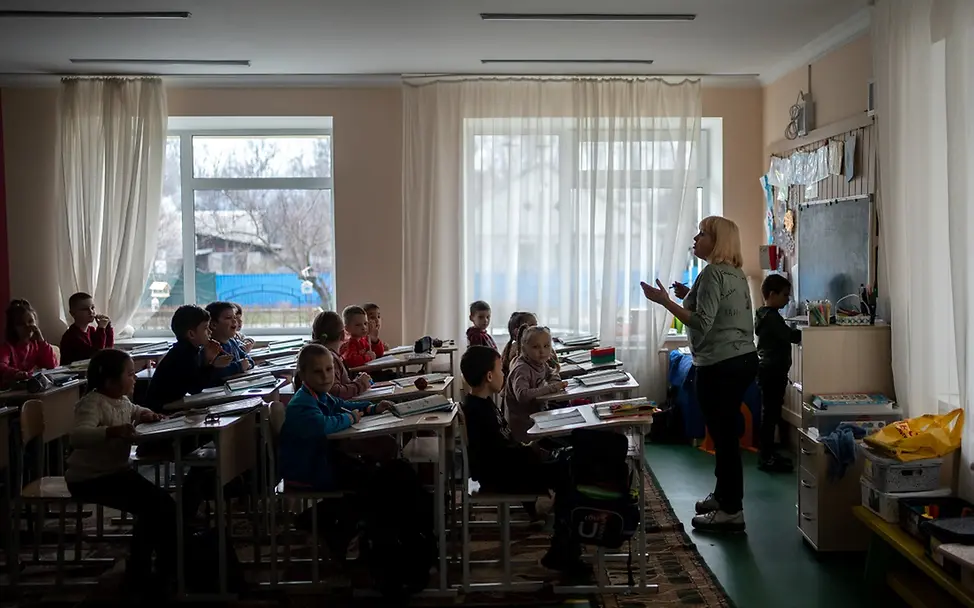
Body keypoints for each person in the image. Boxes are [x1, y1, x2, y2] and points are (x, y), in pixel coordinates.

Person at [640, 215, 757, 532]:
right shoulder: (733, 273)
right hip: (743, 360)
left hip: (720, 364)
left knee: (724, 438)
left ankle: (732, 510)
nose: (695, 238)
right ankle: (723, 496)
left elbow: (702, 322)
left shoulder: (713, 274)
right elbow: (717, 311)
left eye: (702, 234)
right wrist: (686, 294)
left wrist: (664, 301)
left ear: (717, 242)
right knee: (725, 434)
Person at [460, 346, 588, 577]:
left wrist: (529, 450)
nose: (504, 375)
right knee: (569, 471)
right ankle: (563, 548)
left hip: (509, 467)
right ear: (489, 376)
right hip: (501, 476)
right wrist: (531, 453)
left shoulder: (483, 404)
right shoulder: (478, 411)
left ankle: (566, 540)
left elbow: (503, 445)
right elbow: (495, 457)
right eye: (501, 370)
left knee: (568, 460)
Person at [64, 349, 174, 589]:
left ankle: (164, 565)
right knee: (154, 506)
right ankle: (141, 571)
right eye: (130, 374)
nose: (134, 378)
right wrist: (112, 431)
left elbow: (135, 410)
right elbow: (78, 436)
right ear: (110, 381)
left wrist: (148, 414)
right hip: (89, 478)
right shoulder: (91, 403)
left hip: (116, 472)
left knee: (163, 504)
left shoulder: (122, 400)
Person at [279, 343, 394, 556]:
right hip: (308, 470)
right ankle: (324, 524)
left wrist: (370, 408)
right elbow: (323, 425)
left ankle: (341, 527)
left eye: (329, 369)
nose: (325, 376)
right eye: (317, 371)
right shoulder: (301, 404)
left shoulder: (320, 395)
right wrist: (350, 418)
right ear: (303, 375)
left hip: (322, 460)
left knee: (373, 474)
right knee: (368, 482)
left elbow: (342, 405)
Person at [144, 305, 232, 412]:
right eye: (205, 328)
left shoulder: (190, 349)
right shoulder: (183, 354)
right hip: (161, 408)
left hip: (172, 402)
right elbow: (196, 388)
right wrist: (212, 364)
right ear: (191, 334)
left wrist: (208, 361)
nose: (210, 332)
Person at [755, 274, 801, 473]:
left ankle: (768, 454)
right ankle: (767, 457)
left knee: (770, 414)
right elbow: (790, 336)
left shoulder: (763, 314)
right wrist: (811, 329)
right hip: (773, 371)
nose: (787, 300)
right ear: (772, 295)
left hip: (768, 370)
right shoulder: (772, 317)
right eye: (784, 295)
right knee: (770, 415)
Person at [504, 325, 567, 442]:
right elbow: (522, 395)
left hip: (538, 416)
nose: (542, 351)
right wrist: (551, 388)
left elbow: (553, 374)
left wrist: (554, 383)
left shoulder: (540, 363)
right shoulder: (521, 369)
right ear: (525, 349)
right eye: (535, 347)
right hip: (524, 427)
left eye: (546, 346)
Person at [311, 310, 372, 399]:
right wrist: (360, 384)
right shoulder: (328, 358)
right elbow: (336, 393)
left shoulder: (312, 353)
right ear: (343, 335)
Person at [0, 299, 58, 387]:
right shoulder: (8, 347)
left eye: (30, 322)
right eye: (21, 324)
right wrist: (17, 373)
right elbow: (1, 366)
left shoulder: (36, 345)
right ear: (13, 328)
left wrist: (41, 340)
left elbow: (51, 365)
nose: (27, 326)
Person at [59, 292, 114, 365]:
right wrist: (101, 329)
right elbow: (96, 356)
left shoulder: (91, 330)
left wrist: (108, 327)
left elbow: (108, 350)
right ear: (73, 313)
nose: (91, 312)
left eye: (92, 308)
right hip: (74, 374)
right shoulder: (71, 336)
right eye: (85, 309)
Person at [204, 301, 255, 379]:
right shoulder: (210, 348)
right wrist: (238, 367)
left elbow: (247, 357)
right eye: (228, 318)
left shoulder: (232, 342)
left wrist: (248, 364)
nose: (234, 321)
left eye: (234, 317)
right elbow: (212, 373)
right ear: (213, 325)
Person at [500, 311, 538, 378]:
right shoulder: (517, 350)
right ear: (517, 331)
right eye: (532, 326)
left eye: (536, 326)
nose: (537, 329)